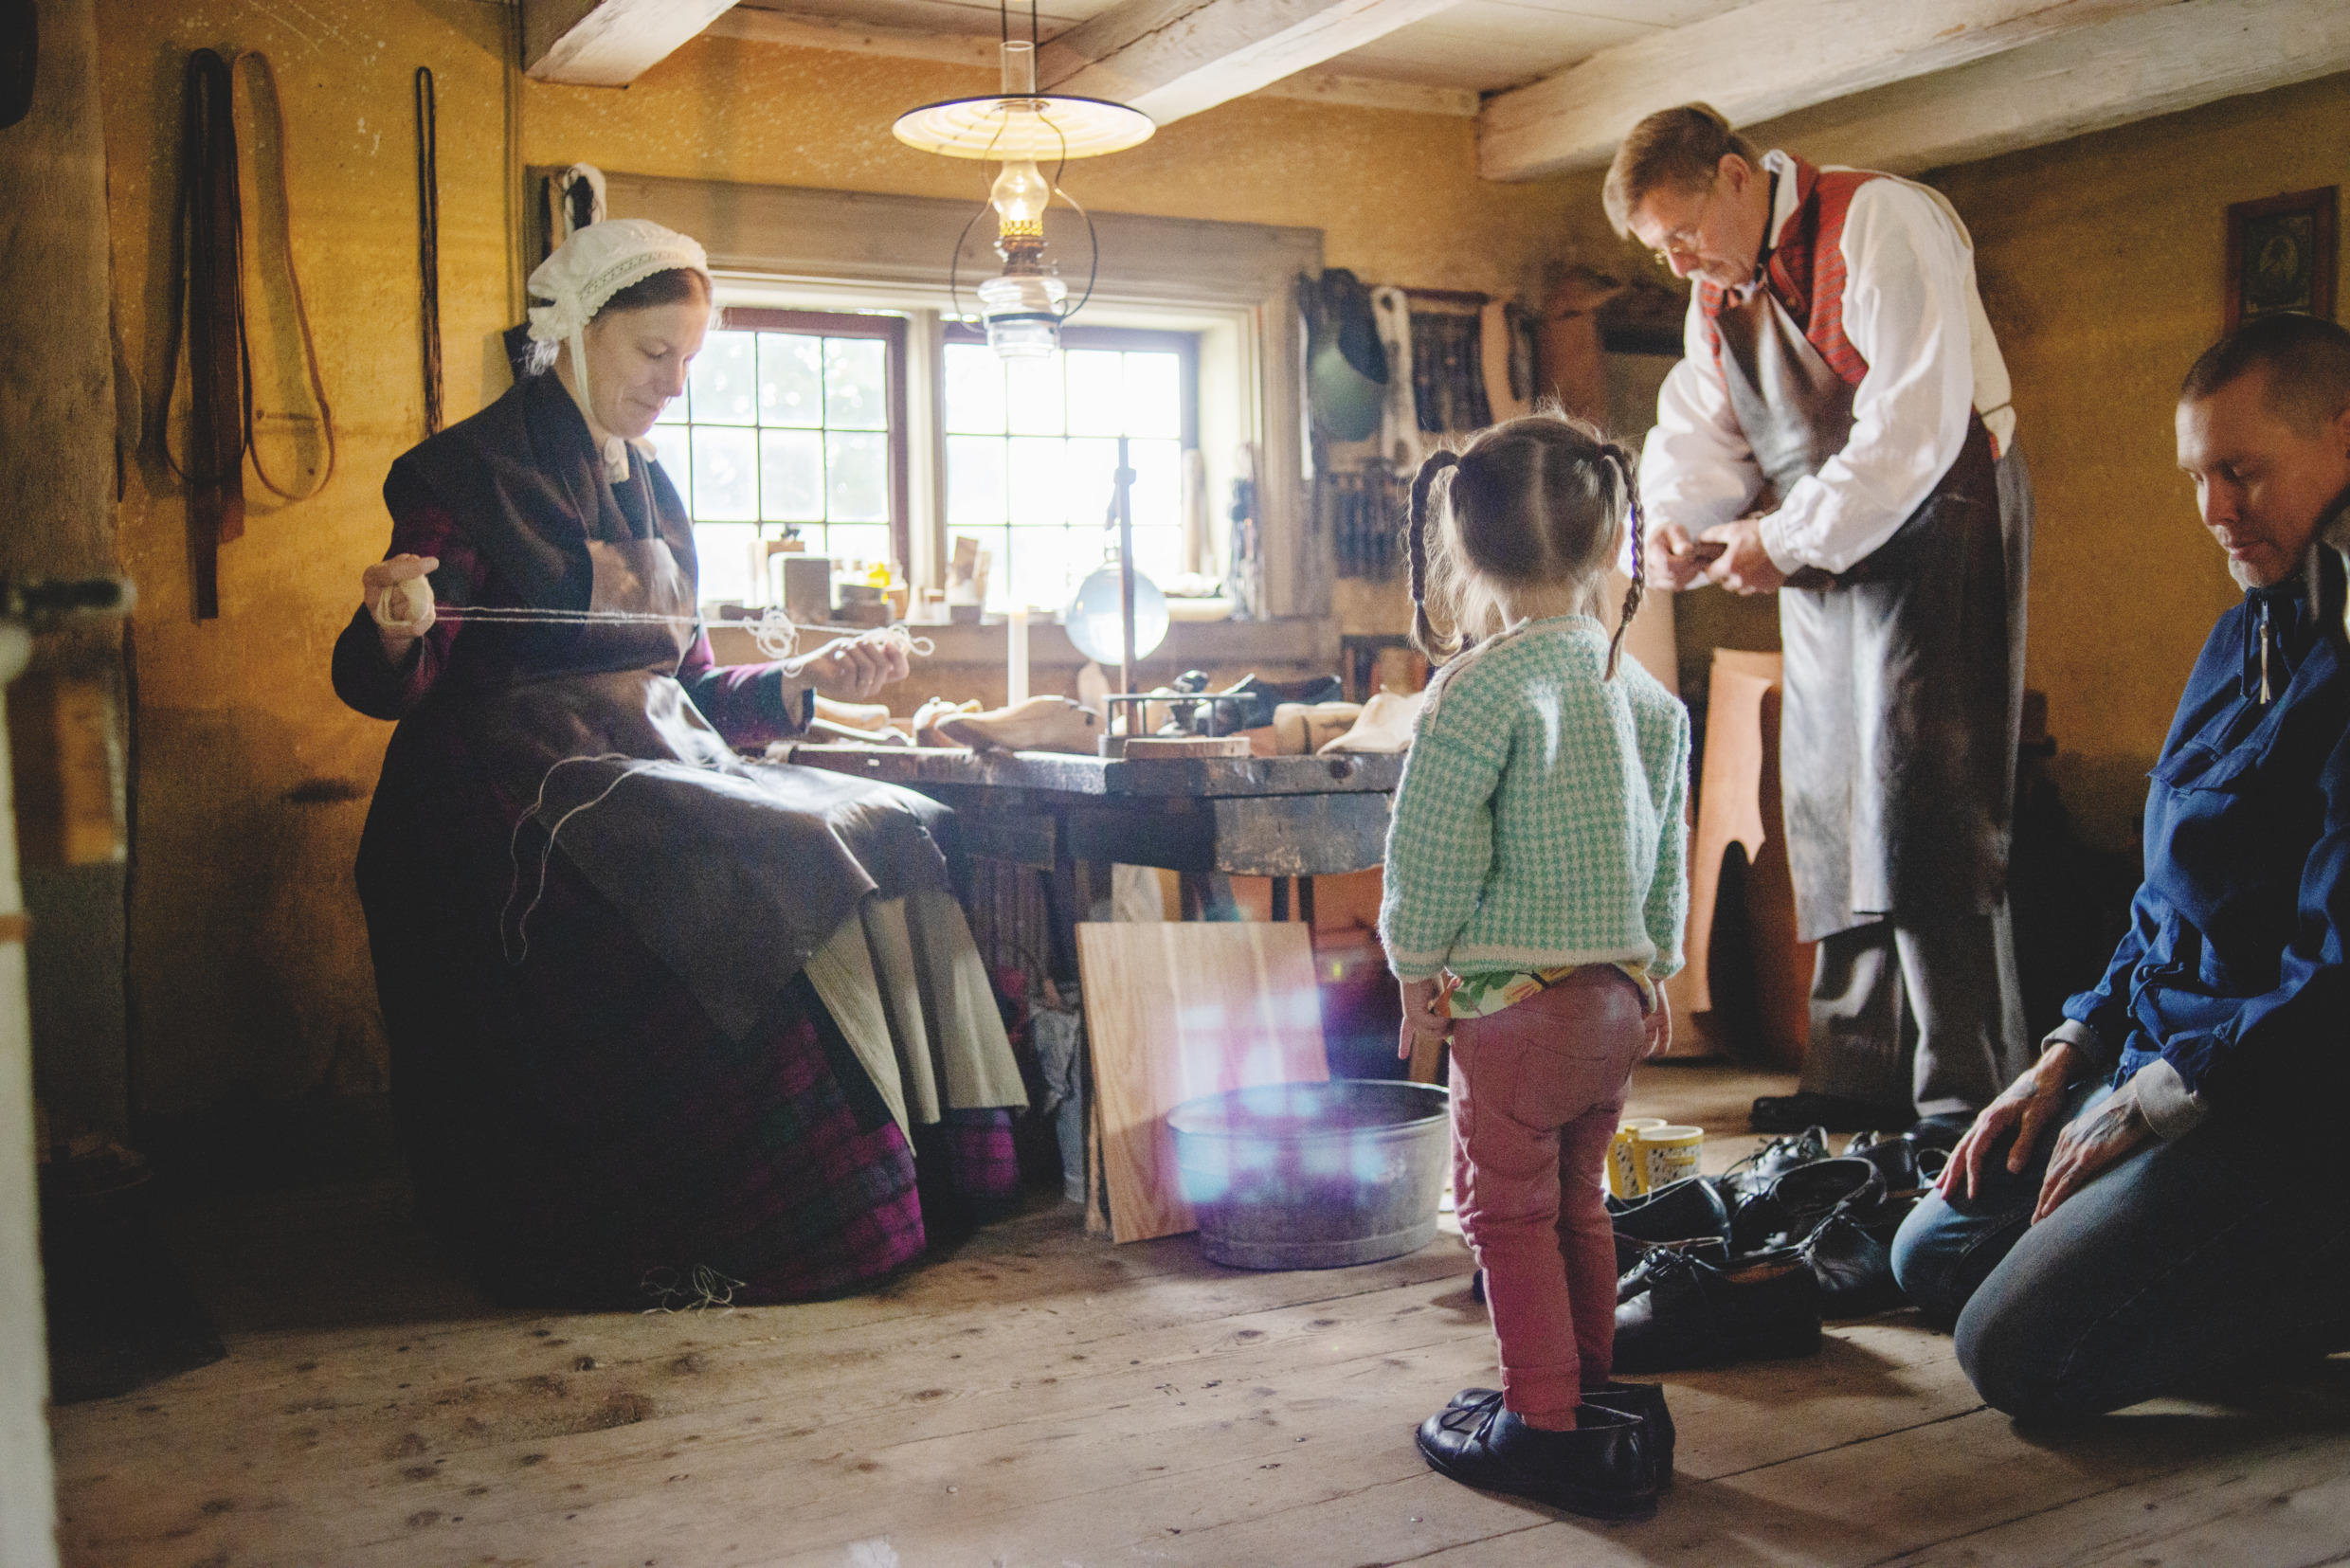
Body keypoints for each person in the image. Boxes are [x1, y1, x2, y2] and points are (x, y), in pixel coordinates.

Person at [333, 219, 1028, 1307]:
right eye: (654, 354)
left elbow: (693, 688)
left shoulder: (653, 489)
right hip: (509, 810)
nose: (673, 384)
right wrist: (393, 624)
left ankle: (941, 1179)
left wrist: (808, 683)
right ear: (575, 331)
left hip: (654, 775)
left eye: (690, 361)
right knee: (777, 850)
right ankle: (802, 1217)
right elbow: (399, 681)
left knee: (893, 820)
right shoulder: (462, 474)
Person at [1890, 314, 2350, 1417]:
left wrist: (2151, 1100)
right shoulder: (2243, 635)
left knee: (2015, 1352)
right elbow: (2162, 902)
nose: (2211, 511)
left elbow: (2330, 981)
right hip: (2165, 1055)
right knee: (1929, 1256)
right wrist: (2072, 1046)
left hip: (2276, 1103)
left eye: (2241, 472)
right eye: (2197, 477)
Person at [1605, 103, 2032, 1138]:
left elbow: (1912, 428)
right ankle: (1856, 1081)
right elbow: (1698, 437)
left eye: (1683, 232)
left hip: (1941, 512)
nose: (1680, 263)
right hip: (1818, 544)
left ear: (1736, 176)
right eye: (1660, 249)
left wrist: (1781, 540)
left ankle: (1959, 1101)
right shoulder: (1715, 297)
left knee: (1923, 803)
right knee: (1830, 800)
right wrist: (1672, 523)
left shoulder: (1878, 221)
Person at [1380, 413, 1690, 1519]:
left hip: (1512, 1013)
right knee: (1576, 1201)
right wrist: (1656, 965)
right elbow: (1665, 851)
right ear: (1612, 544)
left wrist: (1414, 965)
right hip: (1613, 1004)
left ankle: (1543, 1420)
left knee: (1501, 1214)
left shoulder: (1475, 688)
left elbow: (1430, 850)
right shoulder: (1644, 695)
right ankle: (1594, 1382)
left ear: (1464, 554)